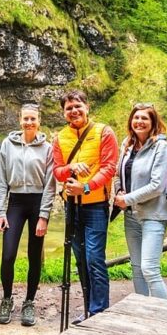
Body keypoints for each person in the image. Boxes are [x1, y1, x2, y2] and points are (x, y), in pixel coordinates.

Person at [52, 89, 118, 322]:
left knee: (94, 258)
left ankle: (99, 312)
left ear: (87, 107)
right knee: (80, 258)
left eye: (77, 106)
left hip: (95, 205)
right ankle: (90, 308)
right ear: (64, 113)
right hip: (72, 206)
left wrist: (86, 187)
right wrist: (72, 169)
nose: (74, 111)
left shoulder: (104, 132)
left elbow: (109, 167)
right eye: (68, 108)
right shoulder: (60, 138)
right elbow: (58, 171)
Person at [0, 104, 55, 326]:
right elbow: (1, 180)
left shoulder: (47, 148)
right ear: (20, 120)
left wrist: (44, 215)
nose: (29, 122)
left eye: (33, 119)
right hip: (16, 202)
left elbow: (50, 184)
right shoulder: (7, 145)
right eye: (25, 118)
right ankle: (7, 298)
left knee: (34, 255)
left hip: (37, 201)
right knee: (8, 254)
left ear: (39, 121)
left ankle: (29, 302)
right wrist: (0, 211)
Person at [113, 104, 167, 300]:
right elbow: (117, 174)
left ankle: (164, 314)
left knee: (149, 268)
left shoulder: (161, 147)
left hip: (154, 214)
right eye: (136, 117)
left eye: (145, 118)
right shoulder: (127, 144)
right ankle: (143, 311)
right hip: (131, 214)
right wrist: (119, 191)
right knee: (137, 267)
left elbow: (157, 185)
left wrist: (126, 199)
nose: (139, 121)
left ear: (153, 122)